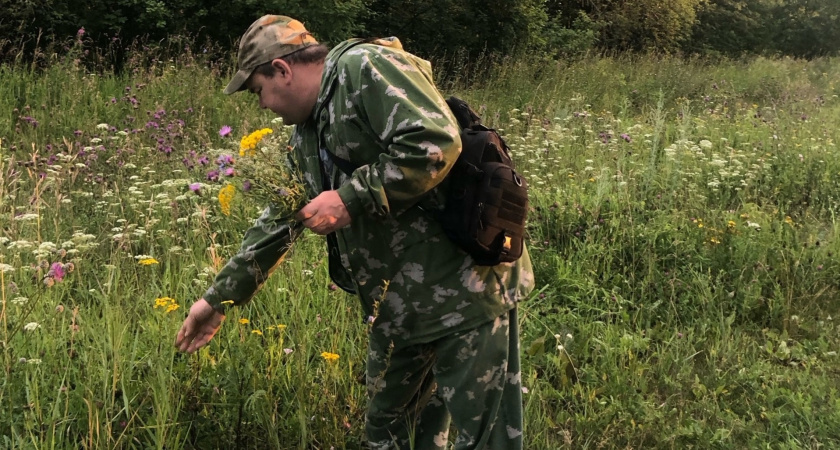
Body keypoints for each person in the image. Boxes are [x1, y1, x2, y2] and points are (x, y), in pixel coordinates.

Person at [174, 14, 535, 449]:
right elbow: (280, 218)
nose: (262, 105)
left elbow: (435, 141)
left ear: (282, 70)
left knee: (487, 440)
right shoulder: (306, 134)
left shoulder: (363, 68)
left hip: (465, 290)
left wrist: (350, 198)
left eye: (258, 90)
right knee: (388, 436)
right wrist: (217, 301)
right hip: (398, 310)